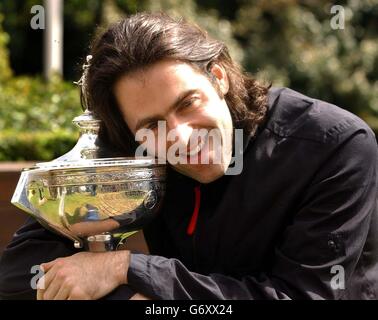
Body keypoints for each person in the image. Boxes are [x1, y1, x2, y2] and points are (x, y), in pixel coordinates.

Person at [1, 12, 377, 300]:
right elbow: (17, 269)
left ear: (219, 77)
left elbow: (301, 295)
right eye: (151, 124)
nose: (178, 135)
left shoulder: (333, 146)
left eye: (187, 102)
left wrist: (127, 267)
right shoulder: (136, 146)